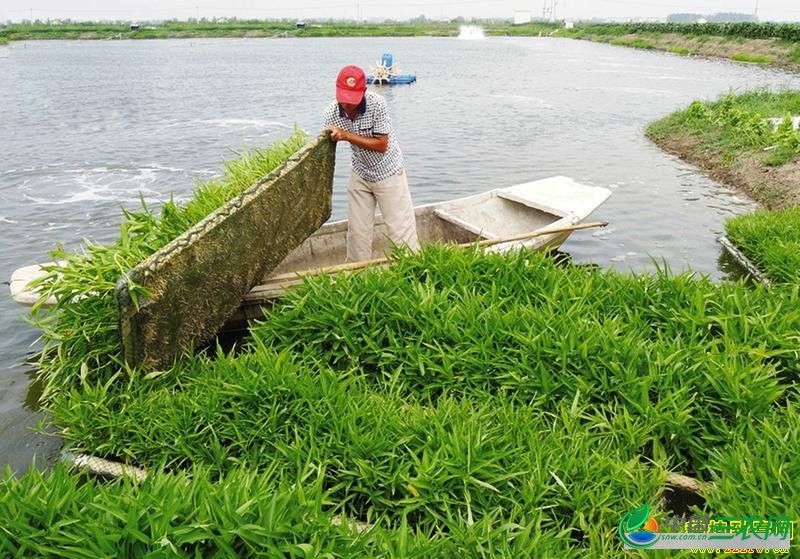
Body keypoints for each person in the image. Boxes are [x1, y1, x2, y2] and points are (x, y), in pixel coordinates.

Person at [324, 64, 420, 262]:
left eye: (352, 100)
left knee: (400, 229)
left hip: (388, 171)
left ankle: (412, 269)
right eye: (343, 99)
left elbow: (381, 144)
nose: (347, 106)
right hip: (360, 173)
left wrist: (346, 136)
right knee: (357, 232)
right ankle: (357, 277)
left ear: (364, 91)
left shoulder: (377, 104)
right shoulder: (331, 114)